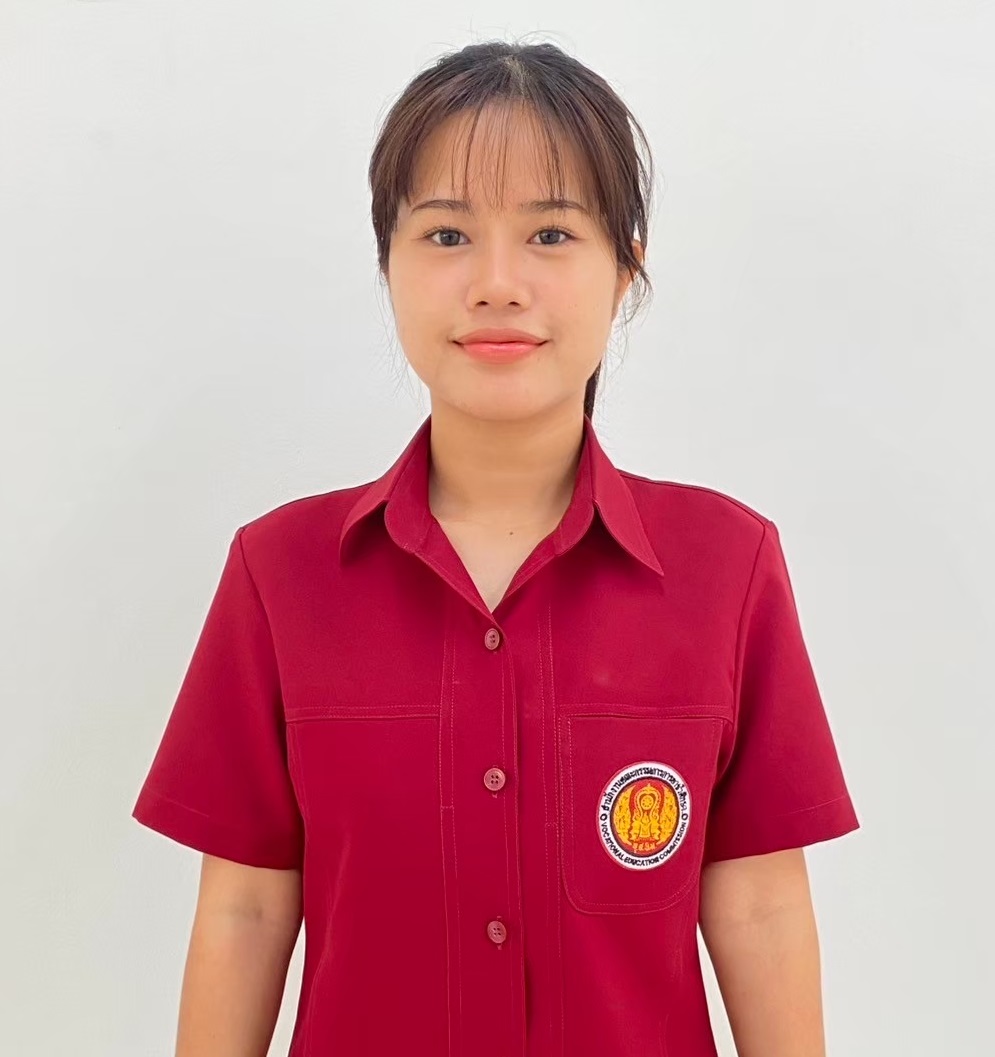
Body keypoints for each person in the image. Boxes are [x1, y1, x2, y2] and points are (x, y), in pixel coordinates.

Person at [132, 38, 859, 1057]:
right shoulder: (280, 573)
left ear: (625, 269)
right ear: (387, 264)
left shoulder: (726, 568)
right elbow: (246, 911)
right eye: (446, 234)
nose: (496, 282)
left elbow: (760, 908)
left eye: (551, 233)